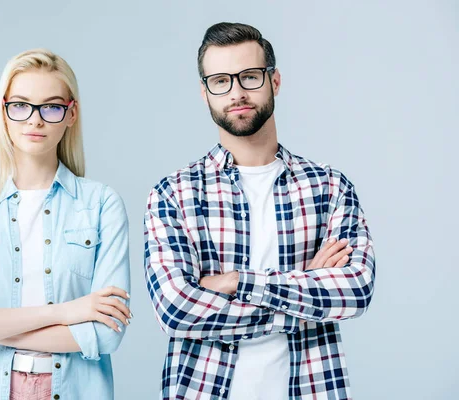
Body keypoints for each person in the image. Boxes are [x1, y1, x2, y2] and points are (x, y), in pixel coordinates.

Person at [144, 22, 375, 400]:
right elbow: (176, 310)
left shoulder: (330, 187)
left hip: (312, 388)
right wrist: (305, 283)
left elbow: (356, 290)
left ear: (275, 81)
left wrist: (236, 283)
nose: (236, 93)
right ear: (205, 93)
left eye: (250, 76)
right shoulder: (174, 194)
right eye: (220, 81)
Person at [0, 48, 131, 400]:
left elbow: (105, 334)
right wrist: (68, 312)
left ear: (71, 114)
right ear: (3, 112)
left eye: (50, 107)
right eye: (20, 105)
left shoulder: (101, 205)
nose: (34, 120)